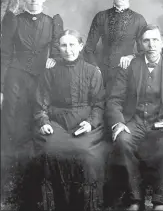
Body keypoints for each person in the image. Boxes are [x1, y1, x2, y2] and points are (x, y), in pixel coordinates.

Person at [106, 24, 163, 211]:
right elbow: (114, 100)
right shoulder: (130, 66)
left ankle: (160, 201)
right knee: (122, 140)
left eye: (155, 40)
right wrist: (118, 122)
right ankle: (135, 199)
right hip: (134, 121)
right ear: (140, 43)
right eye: (146, 40)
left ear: (162, 43)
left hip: (160, 123)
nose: (151, 44)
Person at [0, 0, 63, 200]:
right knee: (12, 129)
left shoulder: (52, 21)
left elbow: (56, 49)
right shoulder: (13, 20)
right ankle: (9, 184)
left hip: (41, 81)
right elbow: (4, 54)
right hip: (15, 81)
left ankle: (34, 186)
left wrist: (53, 59)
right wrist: (0, 88)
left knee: (38, 127)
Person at [32, 30, 109, 211]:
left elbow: (99, 104)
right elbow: (40, 104)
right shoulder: (50, 72)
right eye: (64, 45)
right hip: (56, 122)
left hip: (85, 123)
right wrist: (43, 122)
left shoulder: (92, 72)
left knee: (85, 154)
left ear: (81, 46)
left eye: (72, 44)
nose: (68, 50)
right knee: (50, 151)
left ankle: (85, 206)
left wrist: (90, 122)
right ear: (58, 48)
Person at [83, 0, 147, 95]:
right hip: (103, 73)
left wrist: (131, 57)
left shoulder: (139, 20)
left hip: (127, 74)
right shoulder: (101, 17)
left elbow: (143, 51)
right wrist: (95, 68)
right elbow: (88, 49)